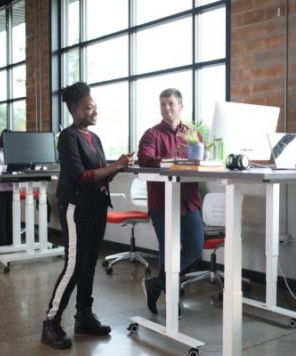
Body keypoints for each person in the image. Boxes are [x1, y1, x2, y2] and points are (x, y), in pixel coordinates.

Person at [42, 82, 135, 349]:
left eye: (95, 106)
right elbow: (81, 177)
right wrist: (114, 166)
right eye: (89, 107)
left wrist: (119, 165)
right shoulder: (68, 137)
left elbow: (100, 171)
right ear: (74, 110)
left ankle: (83, 316)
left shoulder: (94, 138)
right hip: (76, 208)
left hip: (96, 206)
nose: (95, 111)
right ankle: (50, 322)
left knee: (89, 263)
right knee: (74, 265)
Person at [138, 88, 204, 317]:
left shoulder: (193, 135)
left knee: (195, 249)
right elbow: (146, 158)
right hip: (163, 202)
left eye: (171, 103)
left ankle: (156, 284)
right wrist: (175, 162)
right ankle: (171, 296)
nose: (167, 108)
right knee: (168, 251)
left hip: (189, 201)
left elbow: (200, 159)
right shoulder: (151, 134)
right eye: (163, 104)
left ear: (181, 107)